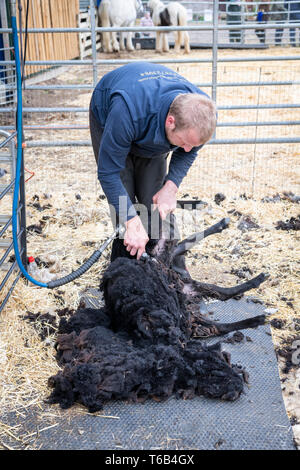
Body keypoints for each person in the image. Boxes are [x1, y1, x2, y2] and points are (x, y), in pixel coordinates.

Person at [89, 62, 217, 269]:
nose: (186, 149)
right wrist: (131, 220)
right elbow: (108, 173)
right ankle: (128, 266)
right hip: (116, 117)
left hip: (150, 128)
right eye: (183, 142)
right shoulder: (126, 110)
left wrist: (171, 186)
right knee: (124, 199)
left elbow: (190, 148)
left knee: (155, 202)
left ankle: (171, 270)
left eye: (192, 144)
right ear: (171, 121)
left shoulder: (203, 113)